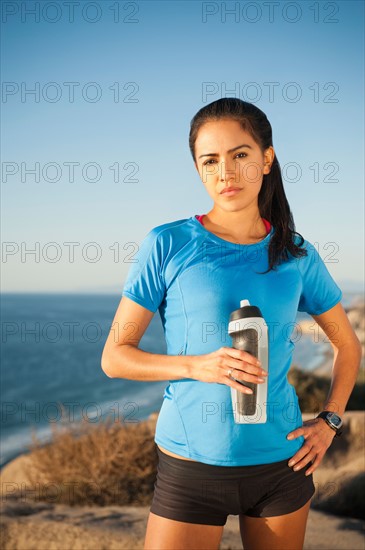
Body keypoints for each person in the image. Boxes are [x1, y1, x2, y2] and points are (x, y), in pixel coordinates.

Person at [101, 98, 362, 550]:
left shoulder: (297, 253)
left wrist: (330, 422)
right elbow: (115, 358)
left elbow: (348, 344)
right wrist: (195, 366)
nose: (226, 172)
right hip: (190, 463)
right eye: (211, 160)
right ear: (199, 170)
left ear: (266, 159)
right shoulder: (168, 243)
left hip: (282, 463)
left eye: (240, 155)